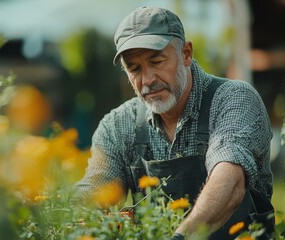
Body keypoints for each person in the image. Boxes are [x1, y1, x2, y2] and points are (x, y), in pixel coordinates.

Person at [74, 6, 274, 239]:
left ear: (186, 54)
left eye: (157, 61)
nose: (147, 80)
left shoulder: (234, 99)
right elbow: (93, 192)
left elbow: (229, 180)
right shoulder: (118, 125)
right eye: (134, 68)